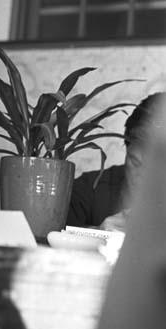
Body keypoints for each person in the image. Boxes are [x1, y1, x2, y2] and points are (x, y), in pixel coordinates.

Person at [66, 92, 166, 231]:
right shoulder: (90, 188)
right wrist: (98, 234)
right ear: (127, 148)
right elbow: (51, 236)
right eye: (136, 163)